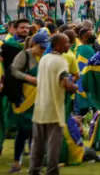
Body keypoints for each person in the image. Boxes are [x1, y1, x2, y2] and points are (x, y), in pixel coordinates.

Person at [29, 33, 78, 175]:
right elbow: (64, 82)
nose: (69, 45)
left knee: (37, 143)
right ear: (58, 45)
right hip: (54, 109)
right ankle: (51, 171)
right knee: (53, 144)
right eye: (67, 42)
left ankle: (34, 170)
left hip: (40, 107)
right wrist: (74, 87)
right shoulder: (61, 61)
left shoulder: (44, 58)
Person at [9, 30, 49, 174]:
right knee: (22, 132)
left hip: (41, 99)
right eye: (41, 47)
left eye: (46, 47)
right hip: (25, 99)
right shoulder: (24, 55)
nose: (43, 50)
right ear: (34, 44)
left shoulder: (45, 56)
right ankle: (16, 163)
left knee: (37, 132)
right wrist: (28, 78)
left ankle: (35, 164)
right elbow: (14, 70)